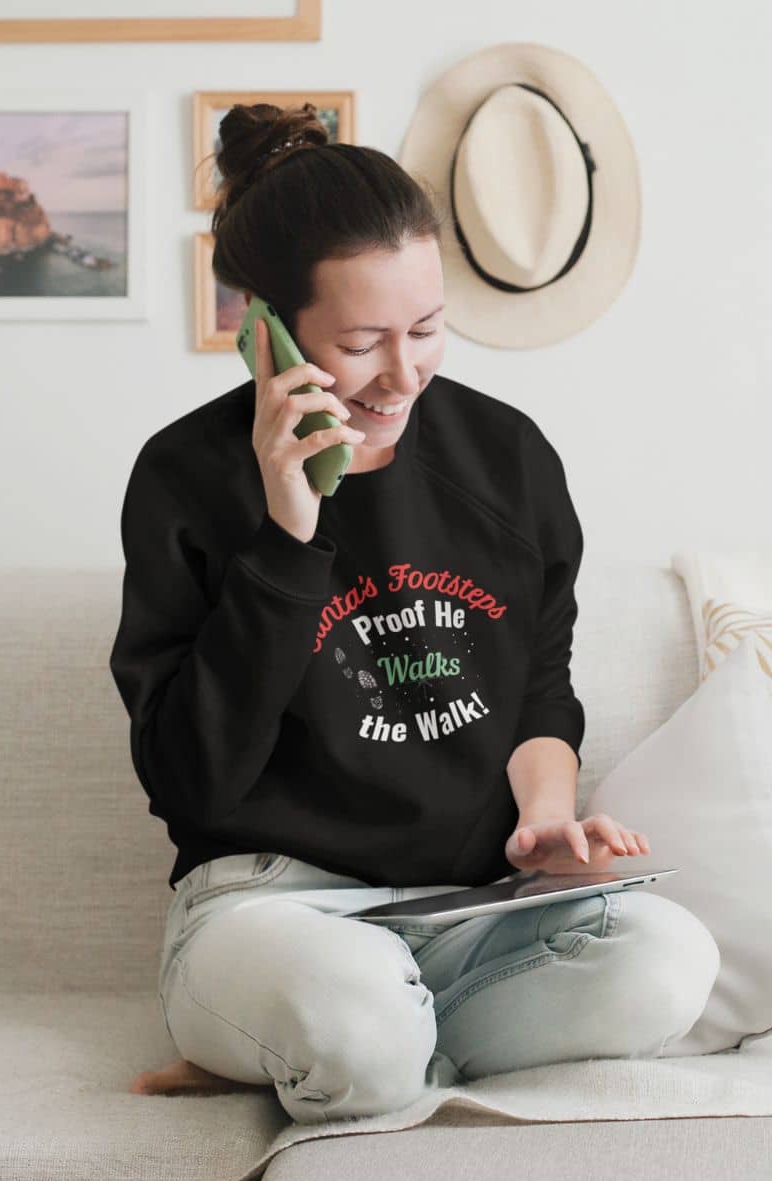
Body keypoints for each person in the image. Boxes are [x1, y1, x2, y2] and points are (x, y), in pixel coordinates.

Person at [109, 102, 721, 1122]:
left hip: (467, 912)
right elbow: (189, 779)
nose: (405, 375)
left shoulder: (506, 457)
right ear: (262, 332)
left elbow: (538, 686)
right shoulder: (185, 478)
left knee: (668, 961)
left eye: (428, 329)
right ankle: (346, 1038)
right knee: (354, 1011)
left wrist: (544, 819)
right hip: (268, 907)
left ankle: (336, 1056)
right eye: (361, 342)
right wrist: (289, 536)